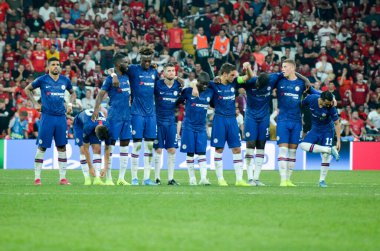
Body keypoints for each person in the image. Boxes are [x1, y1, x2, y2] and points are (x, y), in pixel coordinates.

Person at [193, 63, 250, 186]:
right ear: (224, 74)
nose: (234, 77)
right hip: (219, 119)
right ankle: (220, 179)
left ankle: (239, 179)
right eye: (231, 75)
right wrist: (196, 86)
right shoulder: (214, 84)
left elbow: (247, 77)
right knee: (219, 149)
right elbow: (198, 83)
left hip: (232, 120)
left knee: (237, 149)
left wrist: (248, 68)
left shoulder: (234, 82)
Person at [24, 57, 74, 185]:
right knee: (42, 147)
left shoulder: (65, 80)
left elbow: (73, 93)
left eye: (58, 64)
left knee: (62, 147)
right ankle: (37, 178)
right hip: (47, 117)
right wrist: (35, 103)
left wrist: (70, 105)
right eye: (53, 64)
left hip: (61, 118)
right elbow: (27, 89)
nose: (56, 66)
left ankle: (62, 178)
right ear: (48, 67)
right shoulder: (42, 79)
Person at [239, 64, 284, 186]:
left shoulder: (272, 79)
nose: (257, 86)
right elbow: (236, 81)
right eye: (257, 84)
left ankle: (256, 178)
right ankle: (249, 177)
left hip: (264, 118)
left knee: (261, 145)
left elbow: (285, 73)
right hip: (250, 117)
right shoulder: (251, 81)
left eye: (260, 86)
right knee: (250, 144)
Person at [276, 59, 319, 187]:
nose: (282, 69)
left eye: (285, 66)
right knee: (283, 150)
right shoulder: (279, 81)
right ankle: (283, 180)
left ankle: (289, 180)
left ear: (292, 68)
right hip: (283, 120)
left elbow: (315, 93)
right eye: (282, 66)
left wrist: (328, 96)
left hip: (296, 121)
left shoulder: (301, 84)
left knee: (293, 152)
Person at [92, 52, 132, 186]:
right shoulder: (110, 79)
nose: (127, 64)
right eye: (125, 62)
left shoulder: (127, 75)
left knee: (125, 146)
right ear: (118, 64)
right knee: (110, 146)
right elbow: (100, 95)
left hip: (127, 116)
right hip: (114, 117)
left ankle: (121, 178)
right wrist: (96, 109)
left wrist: (114, 73)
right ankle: (108, 178)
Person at [127, 47, 160, 186]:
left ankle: (146, 178)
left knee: (149, 146)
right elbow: (119, 69)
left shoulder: (154, 71)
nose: (147, 62)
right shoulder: (133, 69)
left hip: (151, 114)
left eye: (149, 60)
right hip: (137, 113)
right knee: (137, 145)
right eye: (145, 60)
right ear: (140, 58)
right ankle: (134, 177)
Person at [299, 91, 341, 188]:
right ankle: (330, 150)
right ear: (321, 100)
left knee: (326, 156)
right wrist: (299, 117)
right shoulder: (312, 99)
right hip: (315, 129)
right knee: (302, 145)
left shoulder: (331, 107)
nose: (329, 104)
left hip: (327, 130)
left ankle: (322, 181)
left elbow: (337, 123)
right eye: (327, 103)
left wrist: (338, 140)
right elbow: (301, 105)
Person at [180, 72, 214, 185]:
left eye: (206, 84)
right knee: (190, 153)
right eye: (203, 84)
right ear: (198, 82)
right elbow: (178, 101)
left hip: (201, 127)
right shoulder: (188, 91)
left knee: (202, 152)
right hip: (188, 126)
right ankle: (192, 178)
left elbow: (214, 104)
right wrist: (193, 85)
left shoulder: (210, 92)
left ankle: (203, 178)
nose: (205, 86)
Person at [153, 63, 182, 185]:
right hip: (158, 122)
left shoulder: (178, 86)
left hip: (171, 122)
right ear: (164, 73)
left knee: (172, 150)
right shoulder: (157, 85)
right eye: (168, 71)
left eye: (173, 71)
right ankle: (157, 178)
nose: (171, 72)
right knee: (158, 150)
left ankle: (170, 179)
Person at [73, 109, 111, 185]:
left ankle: (97, 178)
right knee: (82, 150)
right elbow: (86, 148)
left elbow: (107, 148)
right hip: (80, 125)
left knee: (97, 149)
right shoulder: (88, 127)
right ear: (96, 132)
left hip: (95, 123)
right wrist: (90, 167)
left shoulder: (108, 127)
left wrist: (105, 167)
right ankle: (87, 178)